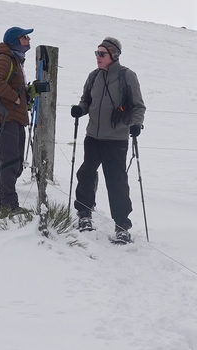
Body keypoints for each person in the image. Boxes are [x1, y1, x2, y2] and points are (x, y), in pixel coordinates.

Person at [70, 37, 146, 243]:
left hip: (116, 139)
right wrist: (80, 109)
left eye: (102, 54)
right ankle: (84, 214)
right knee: (86, 173)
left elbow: (138, 106)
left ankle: (122, 225)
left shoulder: (127, 76)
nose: (98, 57)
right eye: (96, 53)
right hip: (92, 136)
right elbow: (86, 100)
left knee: (117, 181)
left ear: (114, 55)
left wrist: (136, 124)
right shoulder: (93, 76)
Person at [0, 26, 34, 213]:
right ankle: (8, 205)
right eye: (25, 37)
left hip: (14, 117)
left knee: (15, 162)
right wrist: (14, 97)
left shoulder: (15, 60)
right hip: (6, 117)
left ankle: (5, 201)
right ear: (15, 40)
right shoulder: (4, 59)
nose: (29, 40)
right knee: (9, 162)